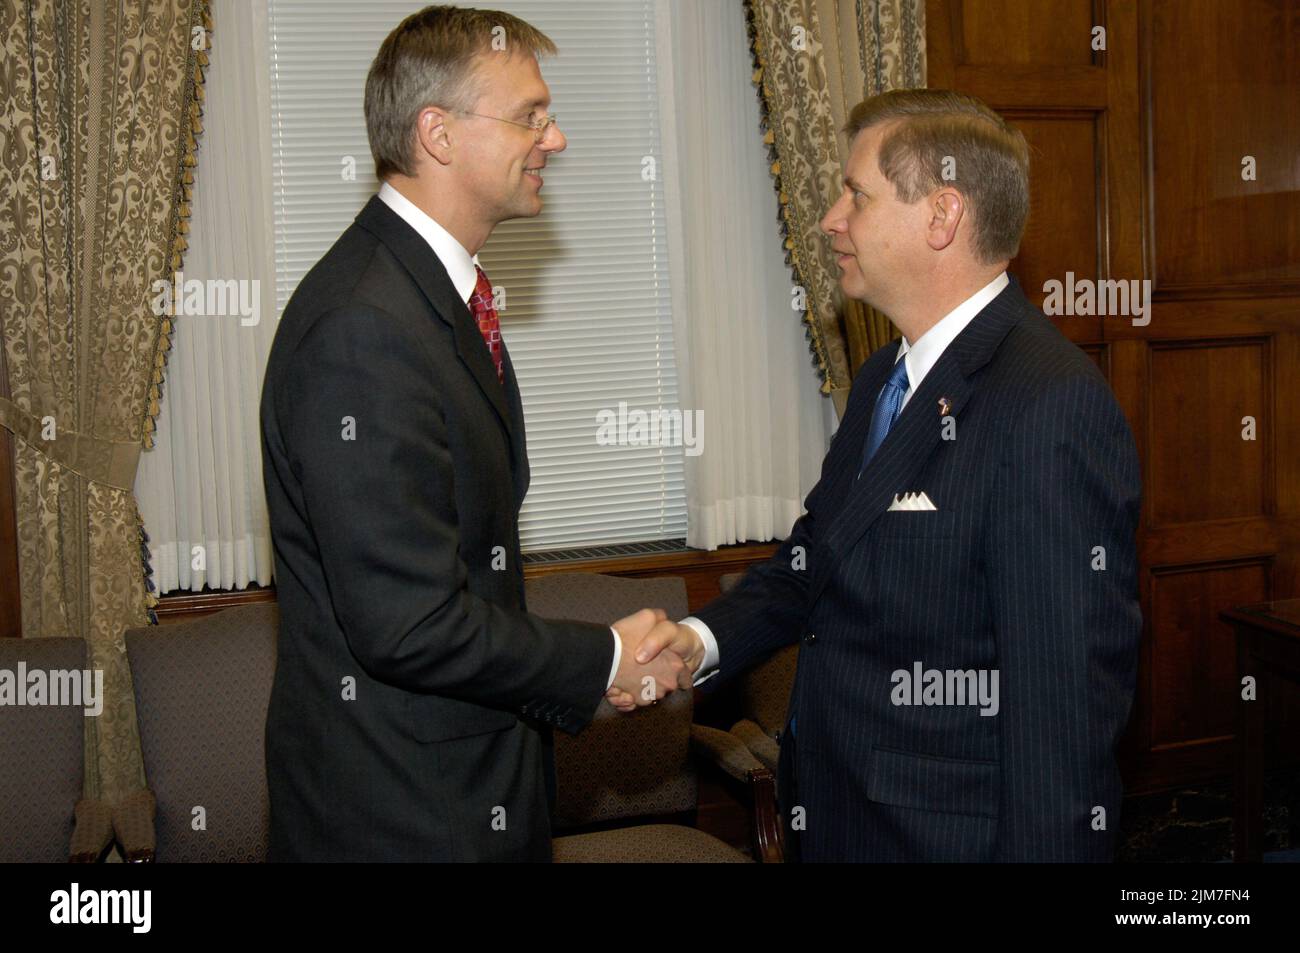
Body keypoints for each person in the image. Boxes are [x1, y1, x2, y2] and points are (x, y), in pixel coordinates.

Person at [622, 89, 1143, 862]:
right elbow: (814, 563)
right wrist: (697, 641)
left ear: (941, 216)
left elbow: (1061, 718)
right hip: (837, 809)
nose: (832, 218)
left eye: (856, 195)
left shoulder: (1047, 405)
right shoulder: (879, 381)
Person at [260, 4, 686, 862]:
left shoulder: (432, 296)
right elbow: (408, 623)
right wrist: (602, 657)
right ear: (438, 134)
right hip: (403, 816)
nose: (555, 138)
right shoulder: (364, 326)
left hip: (464, 789)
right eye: (530, 115)